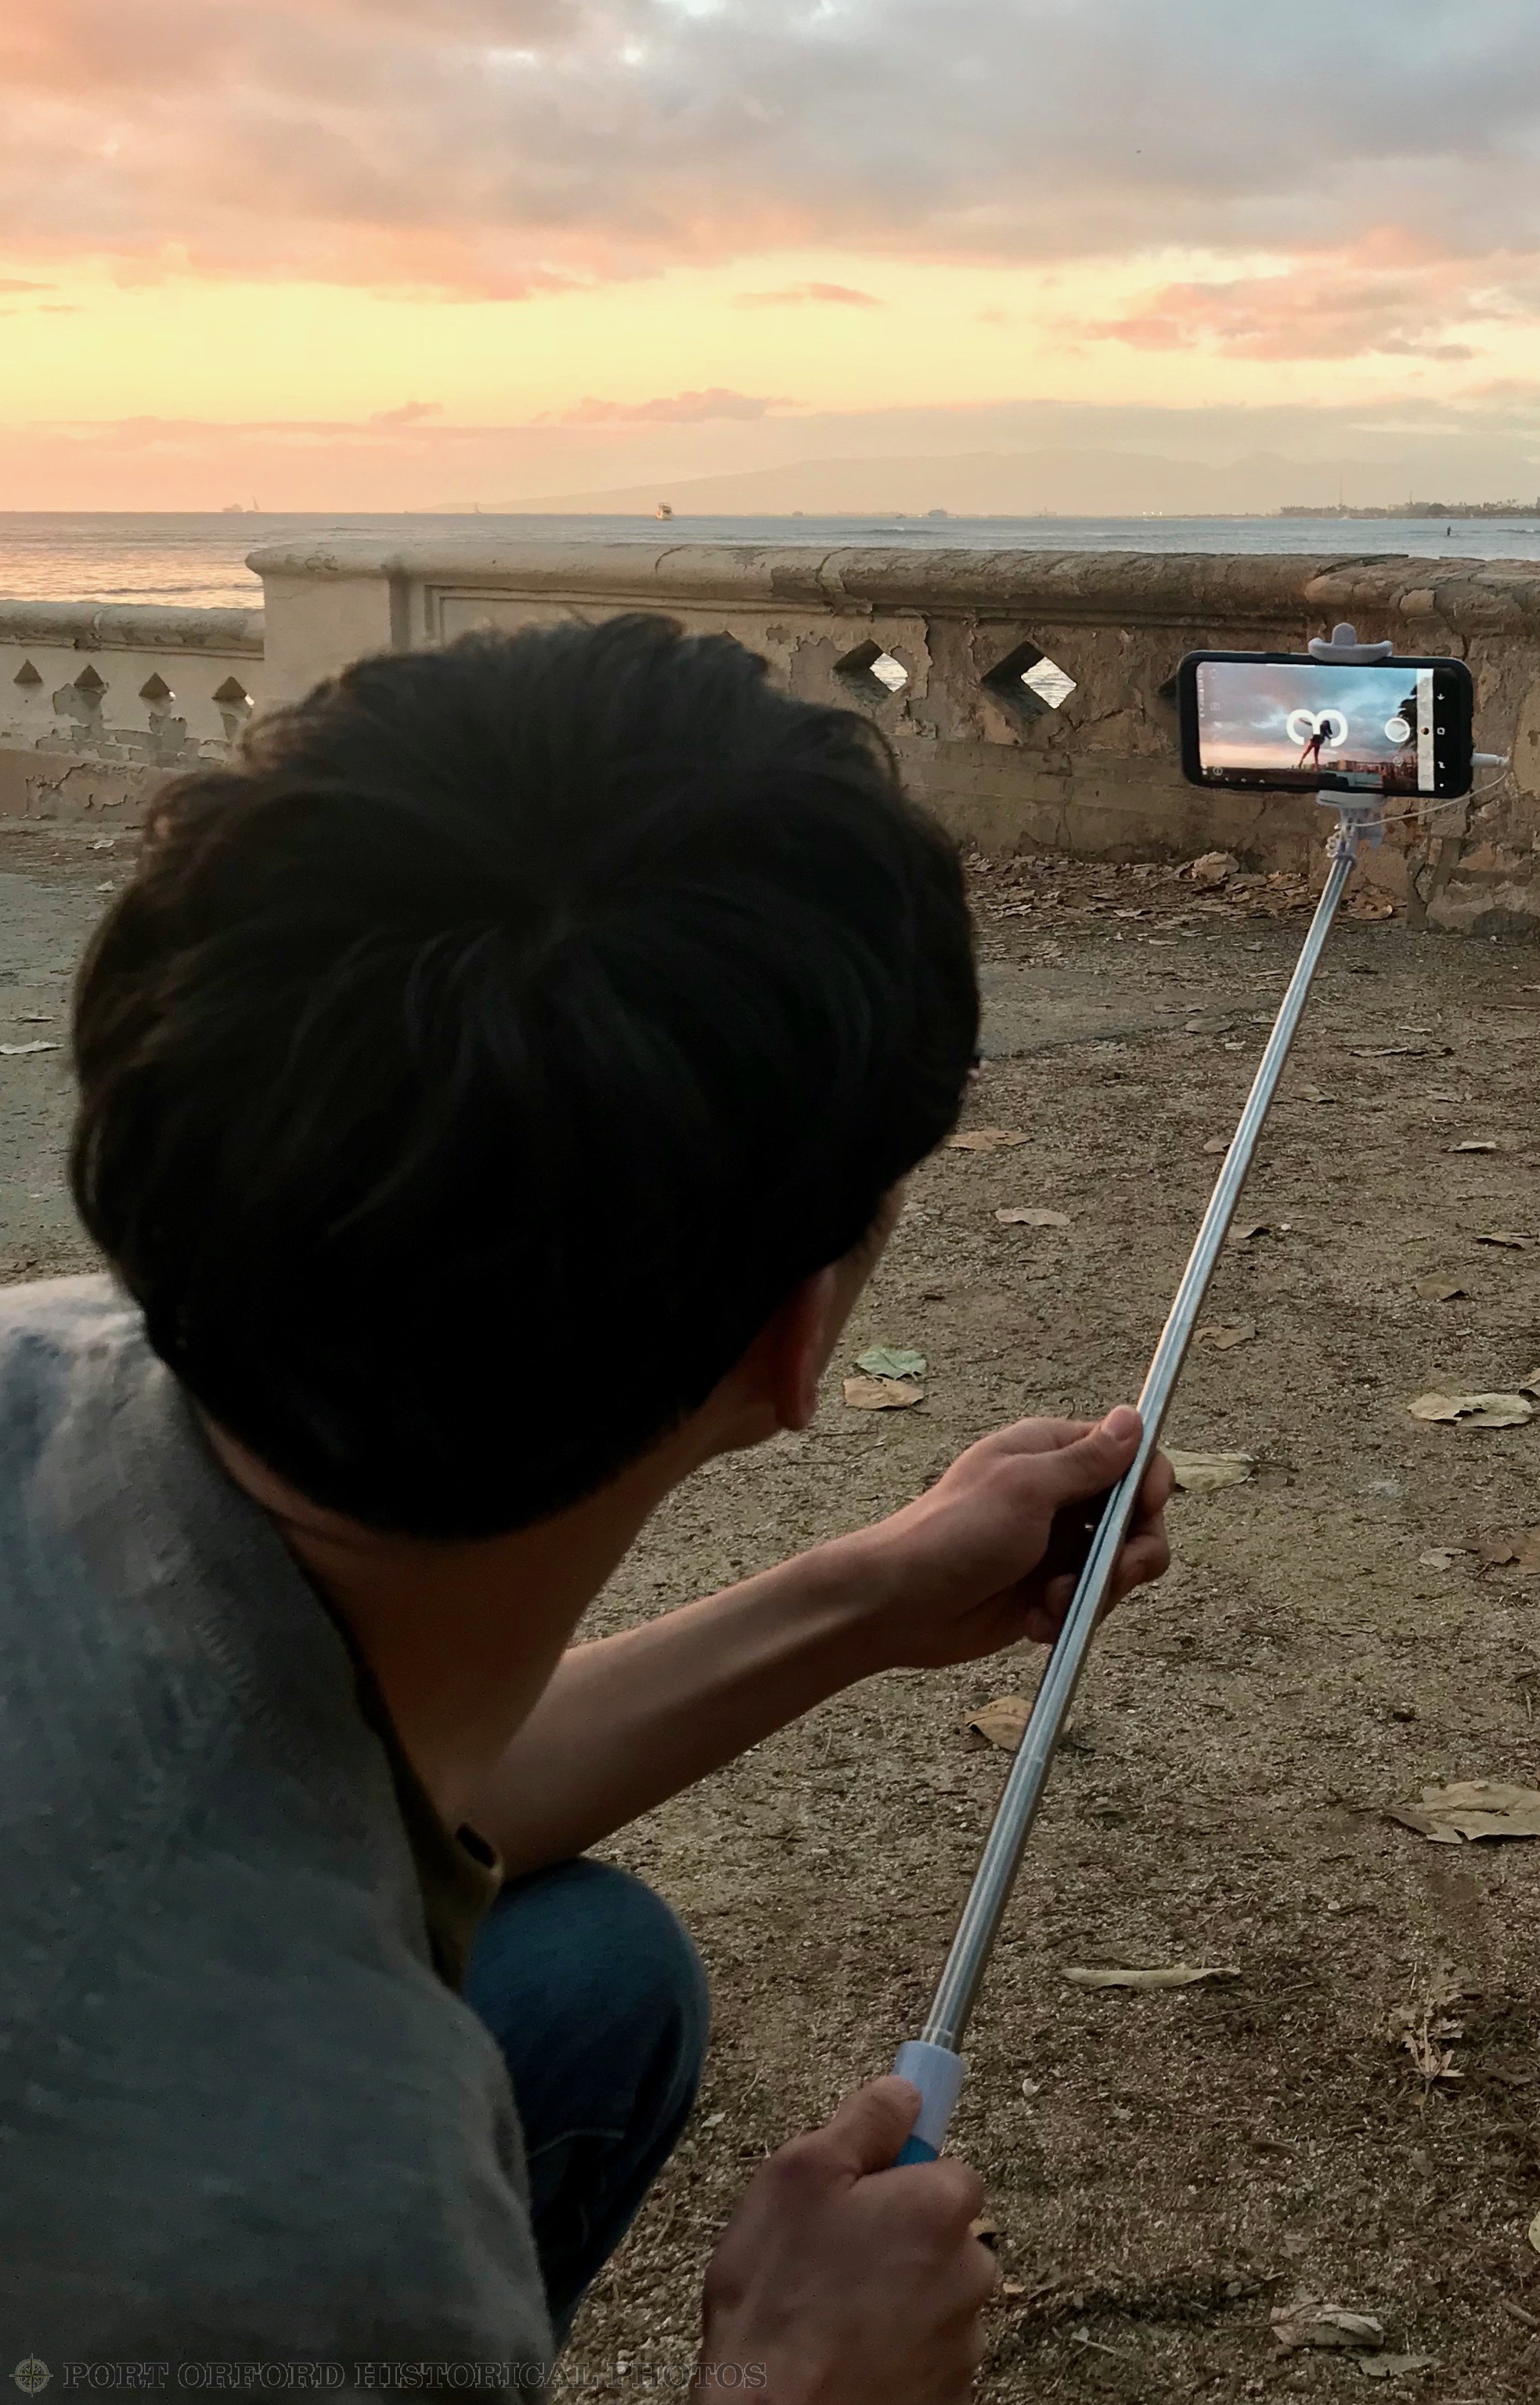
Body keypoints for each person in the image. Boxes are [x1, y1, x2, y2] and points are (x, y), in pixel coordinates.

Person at [0, 616, 1173, 2396]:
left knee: (591, 1975)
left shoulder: (58, 1356)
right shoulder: (328, 2260)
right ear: (796, 1338)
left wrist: (868, 1594)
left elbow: (337, 1776)